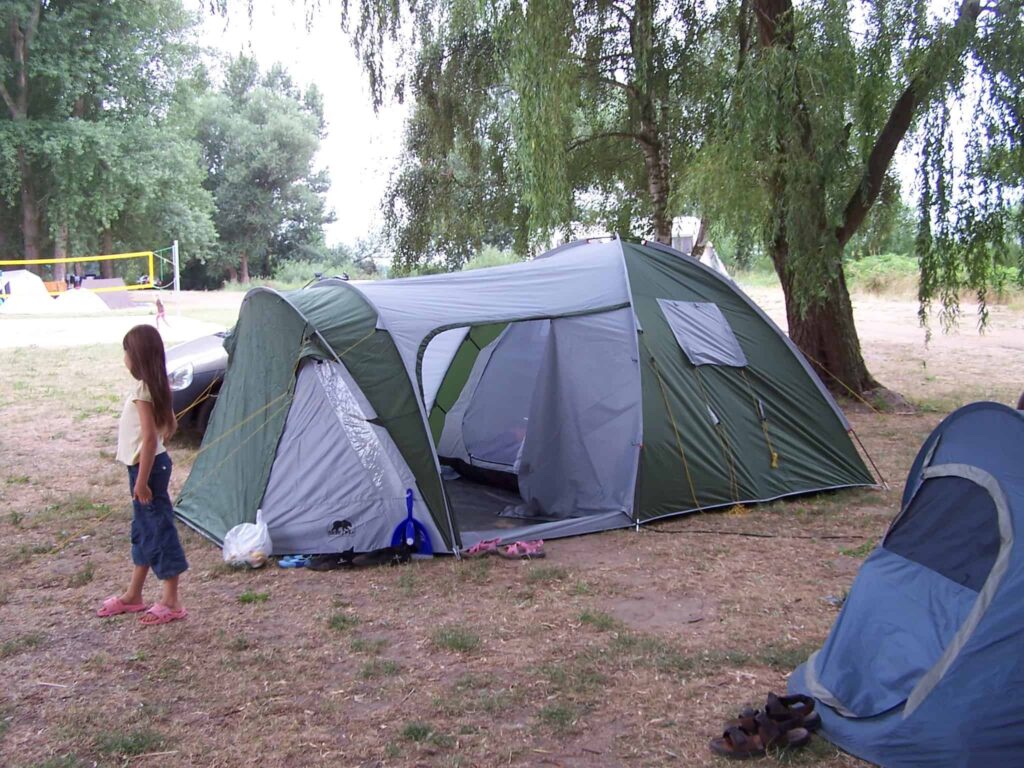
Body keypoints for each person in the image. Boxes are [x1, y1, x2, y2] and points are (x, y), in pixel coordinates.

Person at [96, 325, 188, 625]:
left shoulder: (143, 390)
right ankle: (133, 595)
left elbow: (150, 438)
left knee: (159, 530)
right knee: (144, 530)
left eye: (126, 351)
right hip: (148, 467)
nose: (124, 357)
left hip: (146, 470)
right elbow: (169, 426)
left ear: (136, 356)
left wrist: (141, 479)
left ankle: (171, 601)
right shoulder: (155, 385)